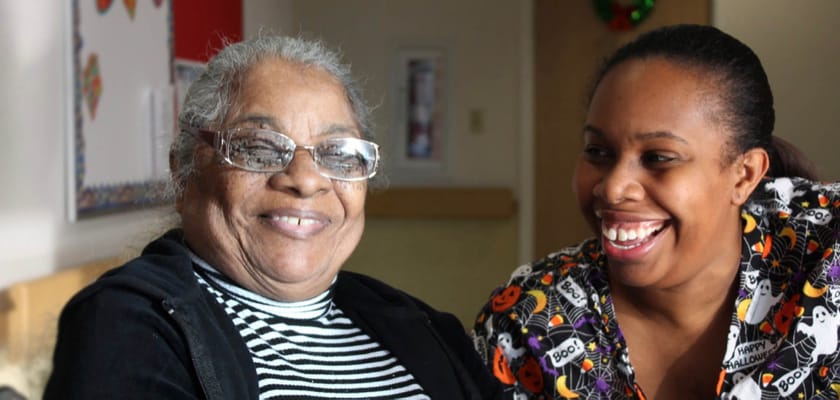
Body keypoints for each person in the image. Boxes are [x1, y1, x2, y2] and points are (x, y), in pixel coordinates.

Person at [45, 35, 501, 399]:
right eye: (259, 147)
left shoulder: (419, 323)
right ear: (184, 176)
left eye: (338, 153)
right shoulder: (126, 326)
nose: (306, 180)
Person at [473, 24, 839, 399]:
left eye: (658, 158)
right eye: (598, 152)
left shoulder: (830, 268)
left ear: (744, 175)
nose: (613, 188)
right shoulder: (528, 325)